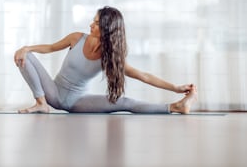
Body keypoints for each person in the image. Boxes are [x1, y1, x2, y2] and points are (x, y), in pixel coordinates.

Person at [14, 6, 197, 114]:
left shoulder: (109, 58)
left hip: (78, 102)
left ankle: (175, 107)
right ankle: (41, 103)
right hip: (53, 94)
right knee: (25, 56)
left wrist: (175, 88)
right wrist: (26, 48)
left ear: (106, 28)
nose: (90, 25)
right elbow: (51, 48)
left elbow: (144, 76)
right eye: (92, 21)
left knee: (125, 103)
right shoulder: (76, 38)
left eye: (95, 23)